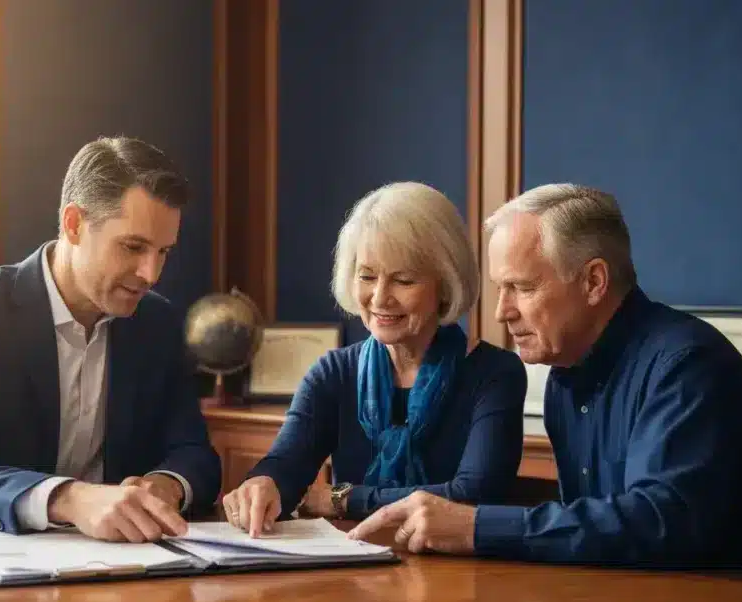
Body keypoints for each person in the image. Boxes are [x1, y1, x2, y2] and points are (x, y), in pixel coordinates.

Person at [348, 183, 742, 579]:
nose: (500, 311)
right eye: (500, 288)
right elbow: (593, 539)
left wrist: (475, 527)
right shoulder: (564, 376)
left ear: (593, 282)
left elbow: (658, 524)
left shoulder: (687, 365)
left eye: (523, 288)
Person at [0, 136, 221, 542]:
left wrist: (166, 484)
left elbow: (196, 454)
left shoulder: (158, 322)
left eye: (163, 252)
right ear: (74, 224)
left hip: (102, 568)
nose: (150, 274)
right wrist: (69, 499)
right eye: (133, 247)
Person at [223, 182, 527, 536]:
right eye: (367, 276)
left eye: (403, 280)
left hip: (462, 575)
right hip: (354, 571)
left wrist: (344, 498)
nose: (380, 298)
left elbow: (472, 496)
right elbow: (285, 467)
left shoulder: (495, 374)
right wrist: (262, 484)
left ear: (445, 284)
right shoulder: (333, 374)